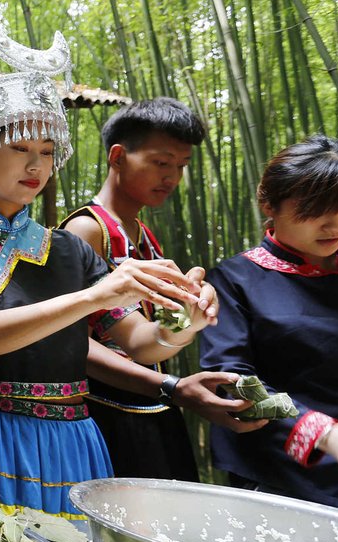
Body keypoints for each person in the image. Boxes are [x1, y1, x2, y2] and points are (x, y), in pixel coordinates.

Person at [0, 2, 218, 518]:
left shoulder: (70, 249)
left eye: (46, 149)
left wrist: (184, 323)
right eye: (18, 147)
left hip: (72, 437)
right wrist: (92, 296)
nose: (36, 164)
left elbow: (139, 342)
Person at [60, 98, 257, 480]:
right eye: (161, 162)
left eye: (180, 166)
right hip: (104, 409)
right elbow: (73, 345)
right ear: (118, 157)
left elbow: (155, 336)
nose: (172, 177)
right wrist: (171, 386)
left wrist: (190, 315)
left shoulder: (144, 235)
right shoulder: (86, 229)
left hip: (153, 399)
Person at [201, 135, 338, 511]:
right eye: (317, 209)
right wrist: (327, 434)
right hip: (287, 479)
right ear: (269, 202)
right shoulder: (234, 280)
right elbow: (231, 382)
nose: (336, 224)